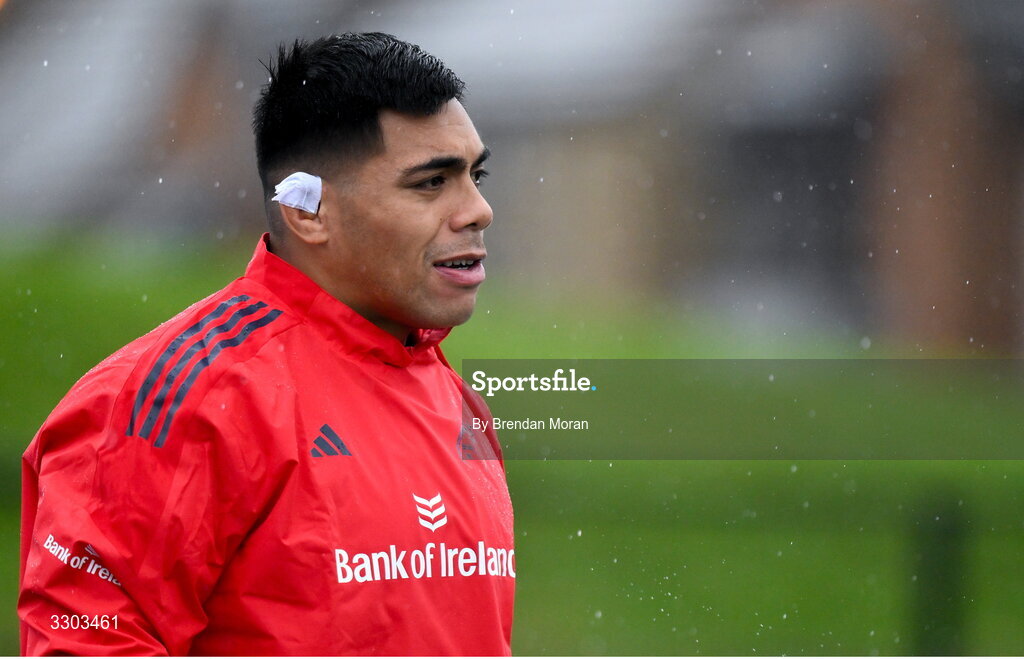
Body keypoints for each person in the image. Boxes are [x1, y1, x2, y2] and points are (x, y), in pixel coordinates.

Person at [19, 33, 515, 655]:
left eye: (475, 174)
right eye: (429, 183)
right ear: (308, 212)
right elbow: (83, 639)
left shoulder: (455, 400)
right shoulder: (177, 395)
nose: (478, 209)